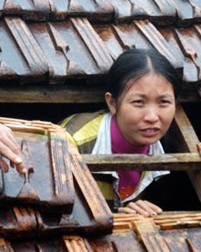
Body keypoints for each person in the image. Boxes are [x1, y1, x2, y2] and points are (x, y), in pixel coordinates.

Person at [59, 48, 182, 216]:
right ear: (112, 103)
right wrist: (118, 219)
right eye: (138, 102)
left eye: (164, 102)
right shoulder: (71, 142)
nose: (152, 117)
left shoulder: (170, 147)